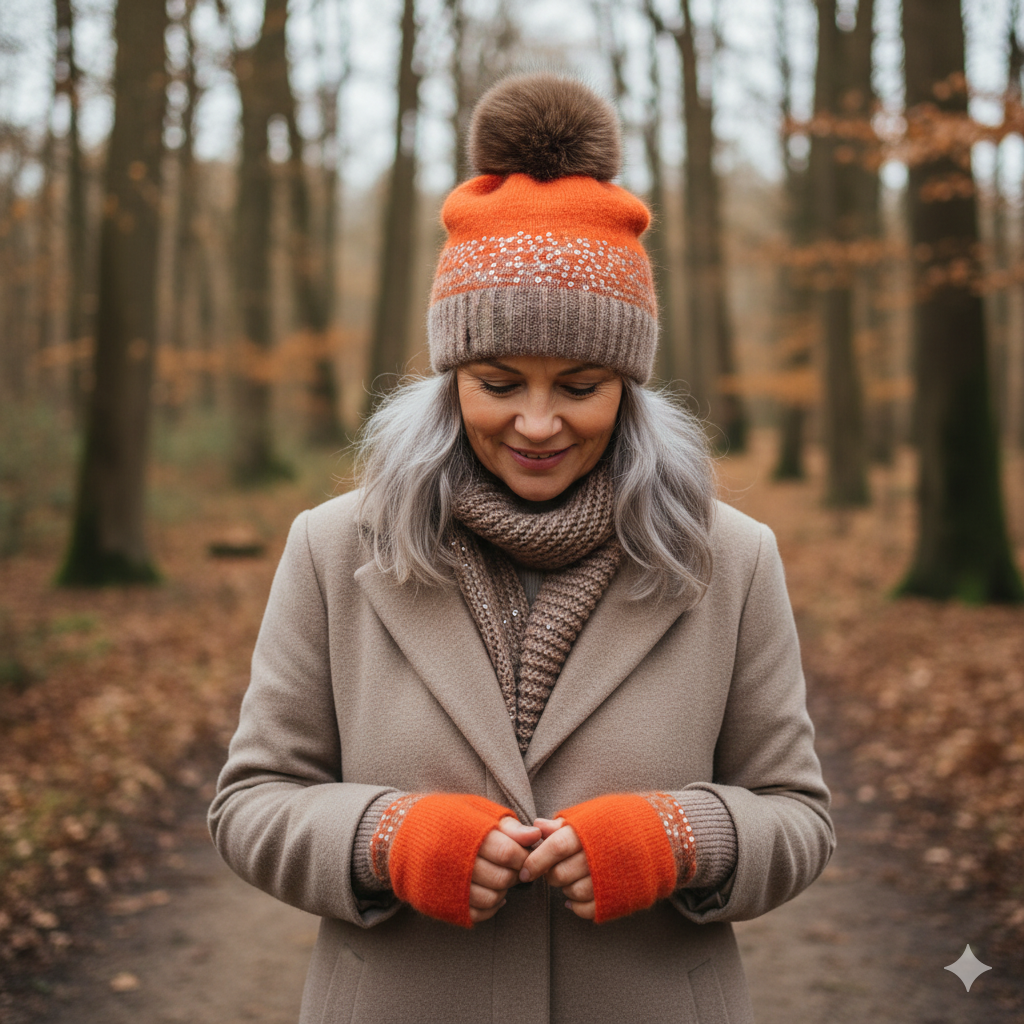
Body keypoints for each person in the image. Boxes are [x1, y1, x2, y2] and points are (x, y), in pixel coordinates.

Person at [209, 73, 834, 1024]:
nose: (537, 423)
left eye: (579, 385)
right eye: (499, 381)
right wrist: (390, 837)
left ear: (629, 386)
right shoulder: (334, 549)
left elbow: (798, 816)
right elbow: (252, 802)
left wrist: (678, 835)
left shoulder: (732, 559)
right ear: (451, 377)